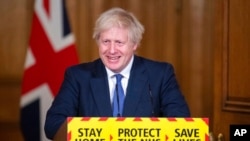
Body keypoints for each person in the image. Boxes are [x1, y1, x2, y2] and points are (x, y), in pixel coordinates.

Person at [44, 7, 190, 140]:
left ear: (134, 44)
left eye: (119, 43)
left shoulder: (160, 74)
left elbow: (181, 124)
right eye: (106, 41)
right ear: (98, 42)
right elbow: (53, 125)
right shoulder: (78, 76)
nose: (112, 50)